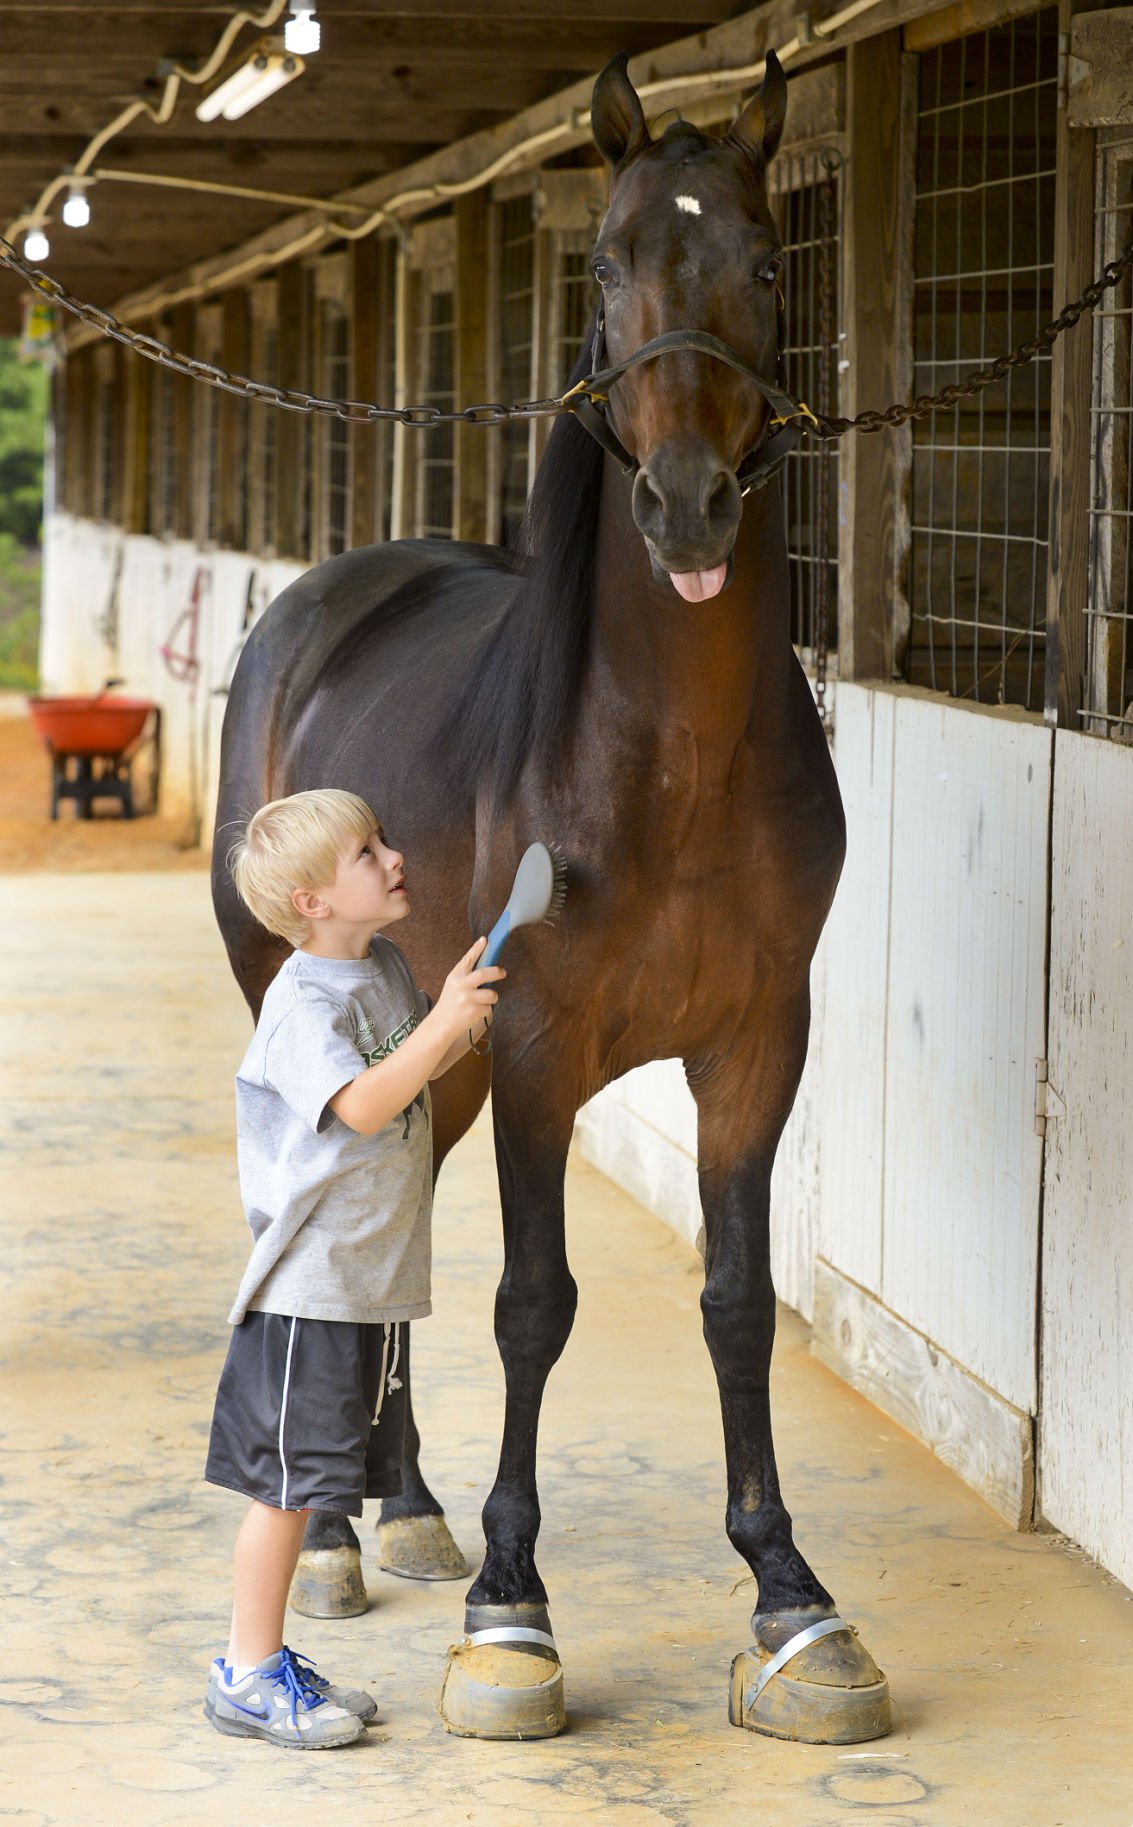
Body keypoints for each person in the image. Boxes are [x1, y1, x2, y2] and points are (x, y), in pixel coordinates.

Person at [203, 787, 504, 1749]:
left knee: (316, 1481)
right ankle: (247, 1673)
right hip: (308, 1292)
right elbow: (368, 1104)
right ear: (311, 902)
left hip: (365, 1284)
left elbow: (412, 1069)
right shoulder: (298, 1004)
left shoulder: (381, 966)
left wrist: (455, 1025)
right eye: (366, 852)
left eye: (382, 838)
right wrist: (440, 1023)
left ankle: (267, 1662)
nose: (393, 856)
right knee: (286, 1492)